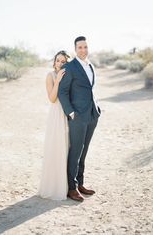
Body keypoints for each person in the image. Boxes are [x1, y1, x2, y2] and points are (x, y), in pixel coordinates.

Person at [58, 36, 101, 202]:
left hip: (92, 114)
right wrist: (71, 112)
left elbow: (90, 89)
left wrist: (97, 108)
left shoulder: (91, 65)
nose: (83, 50)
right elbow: (62, 92)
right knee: (75, 151)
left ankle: (80, 183)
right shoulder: (70, 67)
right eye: (80, 47)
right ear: (75, 49)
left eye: (85, 47)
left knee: (84, 151)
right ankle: (71, 188)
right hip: (77, 116)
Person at [38, 50, 71, 200]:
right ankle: (54, 187)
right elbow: (52, 98)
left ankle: (67, 186)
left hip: (67, 113)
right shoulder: (50, 76)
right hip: (56, 115)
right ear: (54, 61)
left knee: (67, 147)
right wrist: (57, 80)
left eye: (63, 61)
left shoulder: (69, 75)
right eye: (58, 60)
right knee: (55, 148)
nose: (60, 63)